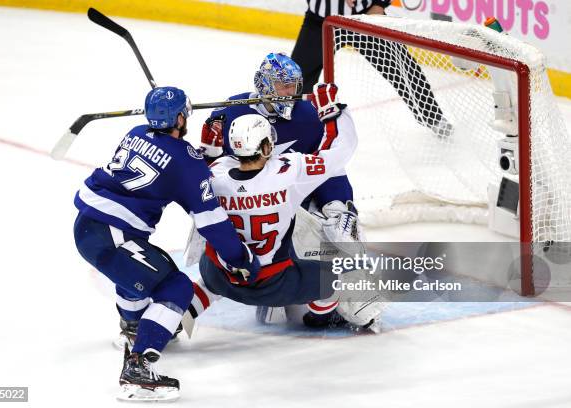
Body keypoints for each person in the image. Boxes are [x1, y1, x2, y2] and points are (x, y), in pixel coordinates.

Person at [73, 86, 259, 401]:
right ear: (181, 117)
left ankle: (133, 327)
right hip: (111, 234)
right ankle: (139, 368)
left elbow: (166, 158)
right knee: (175, 288)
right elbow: (211, 221)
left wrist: (197, 159)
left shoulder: (136, 132)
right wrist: (239, 257)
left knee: (139, 274)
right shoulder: (187, 164)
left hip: (89, 225)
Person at [188, 83, 383, 334]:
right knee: (334, 278)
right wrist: (333, 113)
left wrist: (207, 152)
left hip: (223, 274)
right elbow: (339, 150)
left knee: (205, 283)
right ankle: (321, 317)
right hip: (274, 281)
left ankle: (162, 324)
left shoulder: (216, 174)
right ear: (268, 146)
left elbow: (191, 175)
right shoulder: (288, 172)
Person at [290, 0, 453, 137]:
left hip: (366, 16)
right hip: (320, 21)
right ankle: (292, 124)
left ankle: (433, 118)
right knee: (296, 81)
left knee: (402, 68)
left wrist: (379, 4)